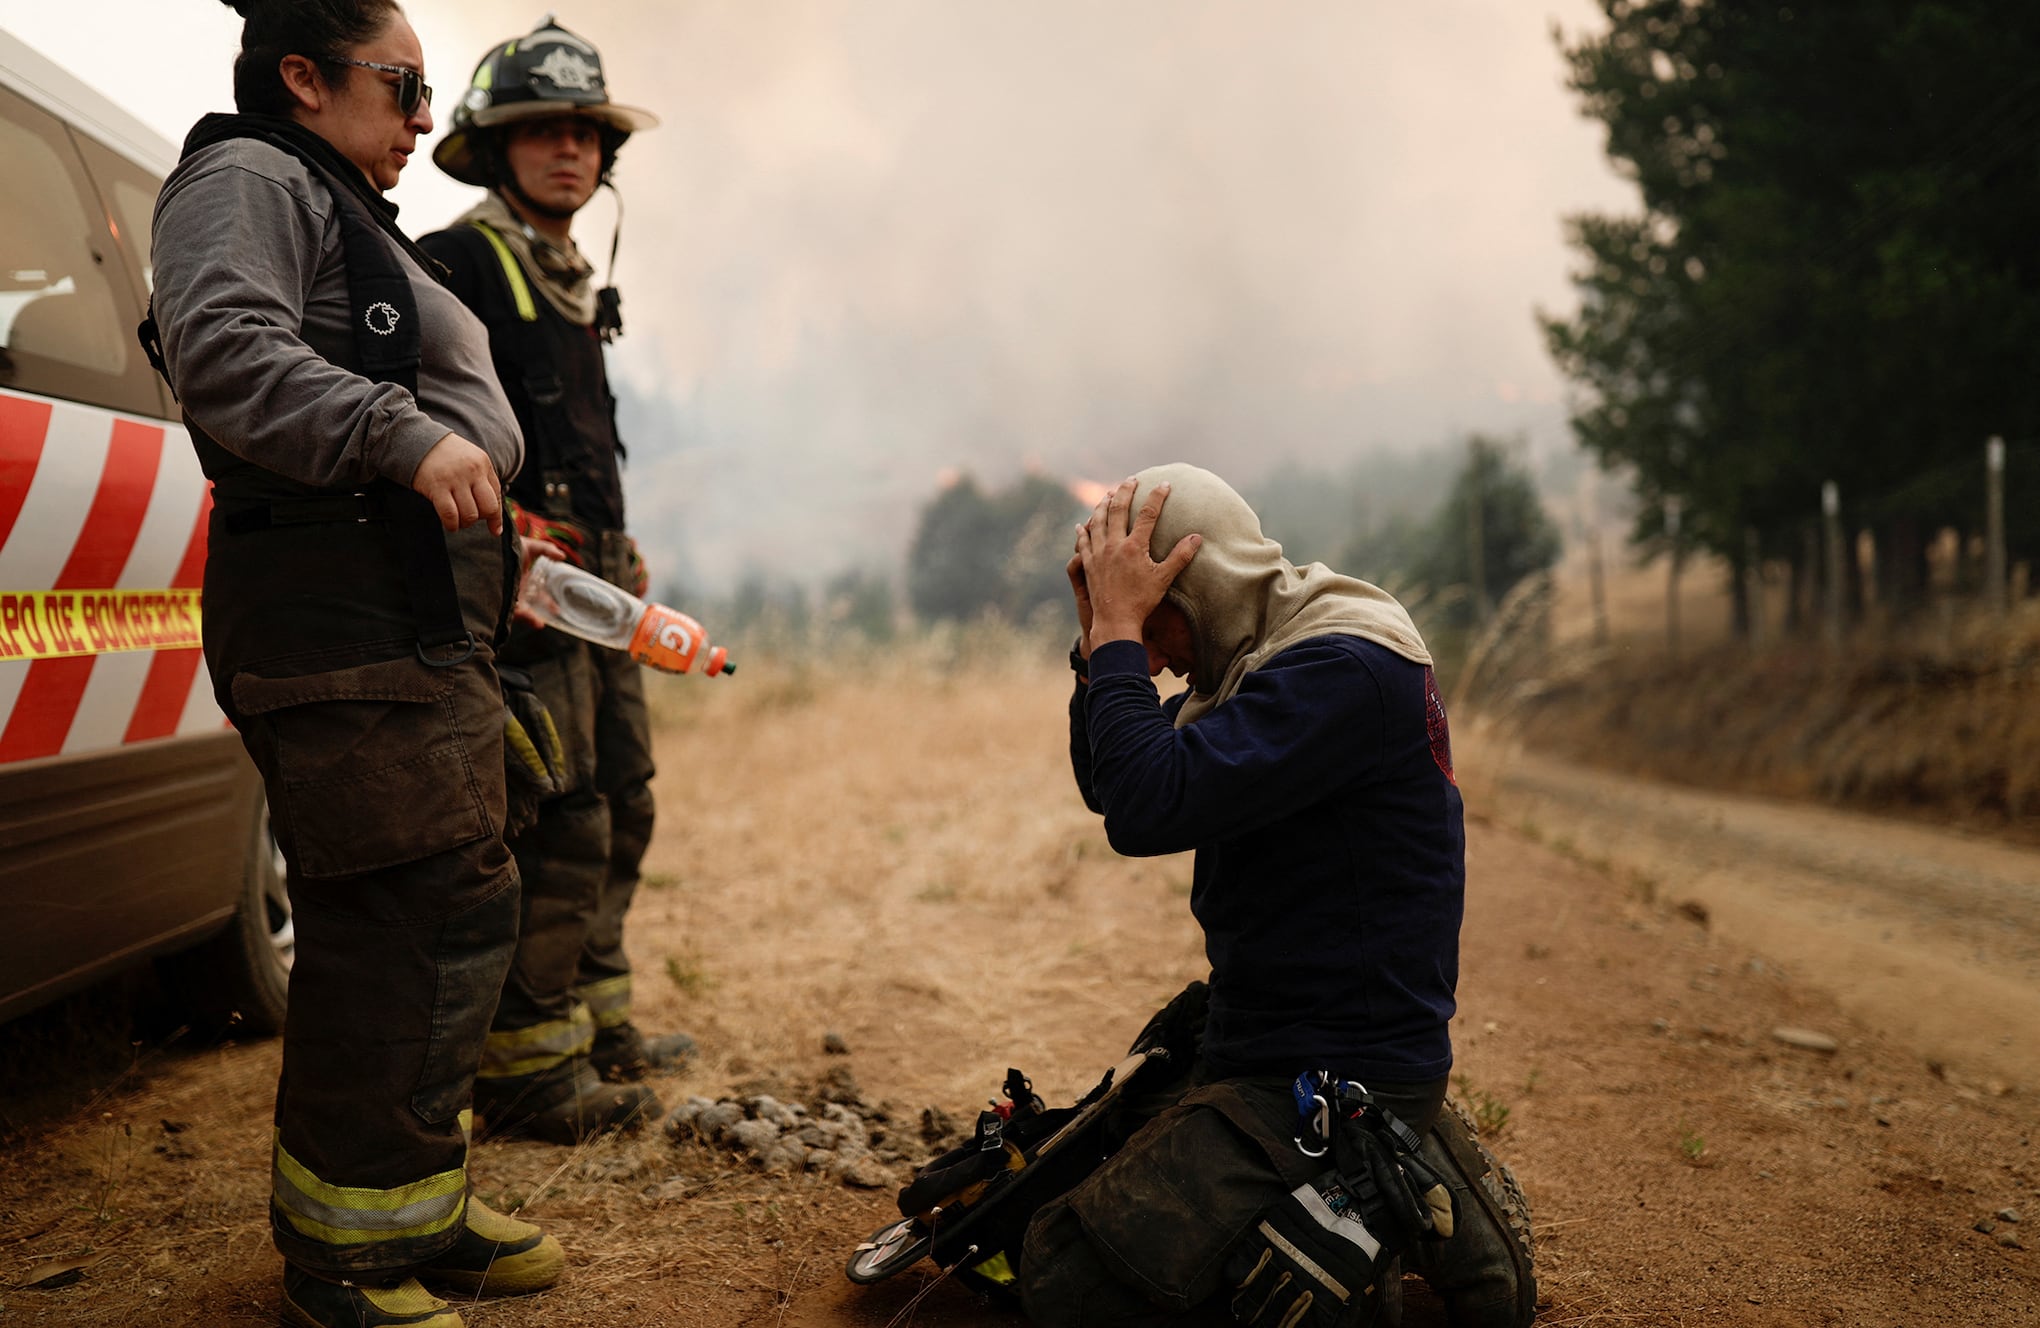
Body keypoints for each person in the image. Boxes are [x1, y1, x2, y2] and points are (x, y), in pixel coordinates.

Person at [149, 3, 562, 1324]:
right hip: (338, 619)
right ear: (303, 79)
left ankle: (411, 1198)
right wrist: (403, 433)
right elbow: (218, 346)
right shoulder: (250, 176)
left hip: (404, 613)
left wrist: (499, 527)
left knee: (448, 898)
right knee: (392, 916)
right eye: (404, 85)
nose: (424, 120)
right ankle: (345, 1256)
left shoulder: (337, 196)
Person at [1015, 465, 1536, 1327]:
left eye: (1158, 615)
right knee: (1048, 1184)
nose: (1165, 652)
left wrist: (1118, 629)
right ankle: (1367, 1195)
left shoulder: (1344, 666)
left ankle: (1372, 1190)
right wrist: (1105, 643)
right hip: (1262, 1047)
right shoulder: (1264, 660)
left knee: (1067, 1278)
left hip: (1340, 1073)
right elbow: (1115, 784)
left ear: (1201, 583)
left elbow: (1148, 806)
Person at [416, 18, 691, 1145]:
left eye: (584, 131)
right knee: (560, 809)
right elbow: (429, 431)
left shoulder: (571, 279)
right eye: (541, 131)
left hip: (600, 581)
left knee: (625, 794)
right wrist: (515, 538)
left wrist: (620, 550)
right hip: (525, 589)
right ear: (493, 146)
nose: (569, 150)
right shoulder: (459, 264)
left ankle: (596, 1023)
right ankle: (531, 1069)